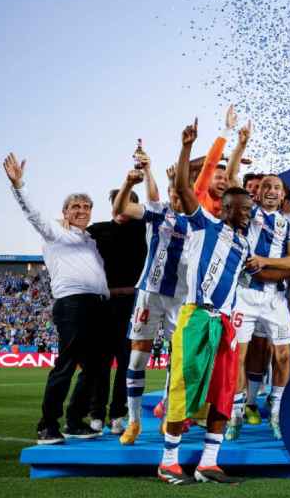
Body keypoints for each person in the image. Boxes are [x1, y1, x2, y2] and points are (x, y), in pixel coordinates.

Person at [159, 118, 259, 485]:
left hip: (226, 323)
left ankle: (208, 462)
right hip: (196, 317)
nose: (248, 213)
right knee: (184, 386)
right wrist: (187, 147)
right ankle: (168, 461)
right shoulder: (204, 224)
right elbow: (184, 186)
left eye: (250, 209)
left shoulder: (245, 244)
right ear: (225, 208)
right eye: (242, 209)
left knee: (223, 392)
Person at [4, 153, 109, 445]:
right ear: (65, 212)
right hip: (73, 305)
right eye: (75, 206)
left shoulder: (92, 241)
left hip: (98, 305)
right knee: (66, 364)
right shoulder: (55, 233)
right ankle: (47, 424)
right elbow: (33, 215)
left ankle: (75, 421)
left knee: (96, 368)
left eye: (86, 206)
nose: (81, 210)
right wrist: (18, 186)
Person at [109, 157, 191, 445]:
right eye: (174, 191)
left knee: (177, 360)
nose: (178, 196)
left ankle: (169, 414)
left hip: (180, 299)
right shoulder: (159, 213)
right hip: (149, 294)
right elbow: (120, 208)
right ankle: (134, 422)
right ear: (170, 193)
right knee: (137, 356)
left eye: (184, 191)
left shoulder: (200, 222)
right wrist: (131, 181)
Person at [228, 174, 290, 442]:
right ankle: (236, 413)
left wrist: (262, 260)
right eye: (266, 186)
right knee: (238, 357)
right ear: (257, 193)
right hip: (244, 295)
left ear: (283, 195)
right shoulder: (246, 216)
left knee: (282, 356)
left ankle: (277, 411)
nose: (271, 191)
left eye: (277, 188)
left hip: (275, 299)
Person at [85, 184, 147, 435]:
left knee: (126, 360)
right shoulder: (95, 231)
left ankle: (118, 414)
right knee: (100, 361)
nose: (123, 207)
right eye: (120, 202)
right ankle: (96, 412)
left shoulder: (145, 229)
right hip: (103, 303)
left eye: (130, 202)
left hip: (133, 303)